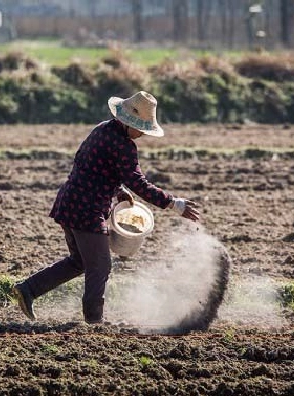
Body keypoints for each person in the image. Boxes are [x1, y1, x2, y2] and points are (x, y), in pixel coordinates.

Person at [12, 91, 200, 324]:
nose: (142, 134)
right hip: (87, 210)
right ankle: (94, 321)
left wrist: (117, 189)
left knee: (80, 261)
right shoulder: (123, 145)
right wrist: (173, 203)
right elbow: (139, 183)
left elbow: (89, 163)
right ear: (130, 123)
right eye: (142, 128)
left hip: (70, 202)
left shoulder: (103, 129)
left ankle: (28, 289)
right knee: (100, 265)